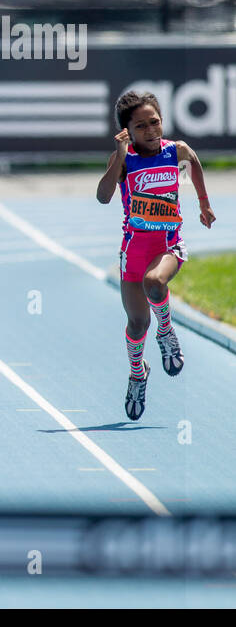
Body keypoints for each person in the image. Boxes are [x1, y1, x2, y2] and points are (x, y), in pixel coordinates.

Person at [95, 90, 215, 420]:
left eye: (155, 122)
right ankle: (138, 374)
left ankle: (166, 331)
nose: (151, 130)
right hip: (133, 251)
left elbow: (194, 166)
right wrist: (119, 155)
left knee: (155, 283)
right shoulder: (125, 159)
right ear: (127, 131)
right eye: (141, 126)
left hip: (168, 246)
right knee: (136, 323)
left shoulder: (175, 151)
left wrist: (203, 202)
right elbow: (103, 197)